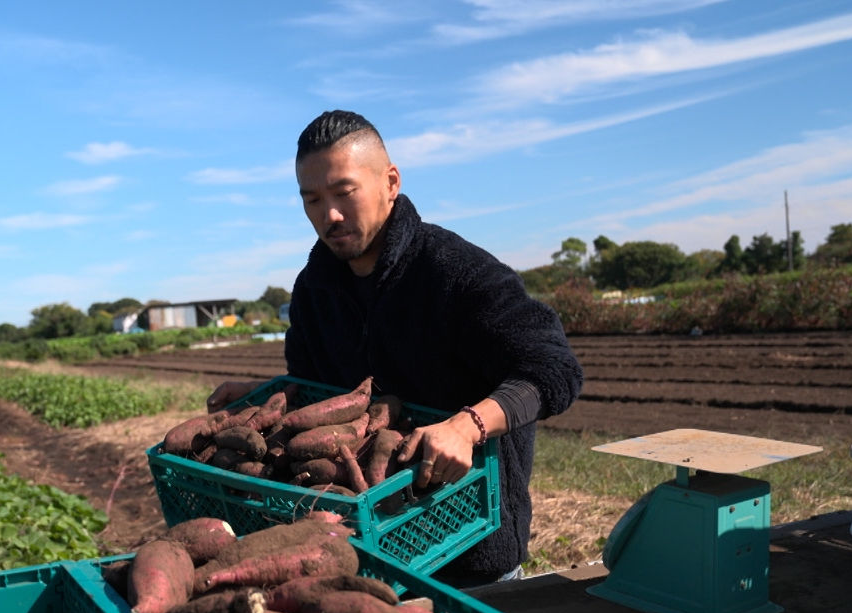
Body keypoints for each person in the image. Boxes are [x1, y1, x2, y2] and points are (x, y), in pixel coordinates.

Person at [207, 110, 584, 587]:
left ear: (390, 182)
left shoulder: (456, 273)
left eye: (344, 193)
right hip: (362, 553)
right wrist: (267, 396)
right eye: (312, 200)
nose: (330, 216)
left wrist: (468, 426)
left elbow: (553, 369)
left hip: (469, 554)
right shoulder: (313, 290)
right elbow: (318, 395)